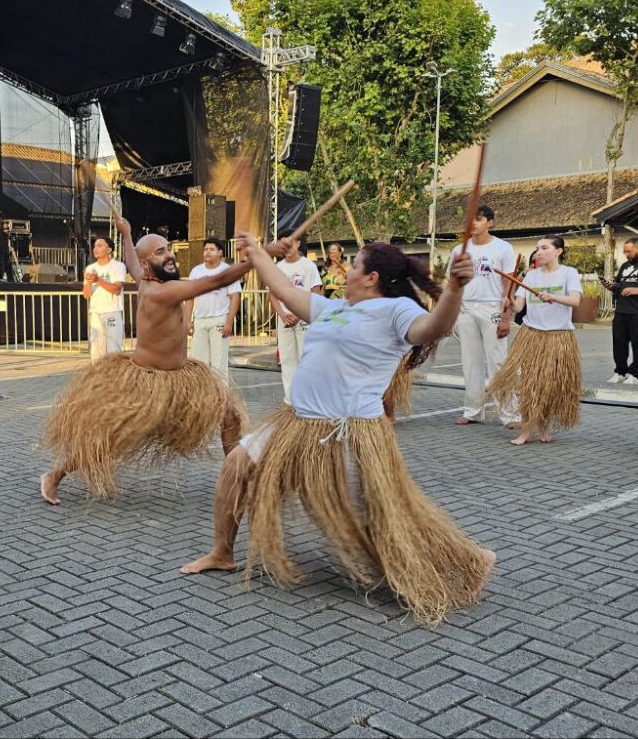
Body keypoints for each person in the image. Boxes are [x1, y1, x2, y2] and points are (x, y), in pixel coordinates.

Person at [180, 234, 495, 627]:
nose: (346, 272)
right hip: (296, 421)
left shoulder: (395, 310)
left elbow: (434, 327)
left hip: (349, 431)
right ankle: (222, 552)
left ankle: (465, 558)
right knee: (235, 465)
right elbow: (282, 288)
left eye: (354, 266)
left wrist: (455, 289)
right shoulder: (332, 308)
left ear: (371, 277)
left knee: (380, 512)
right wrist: (257, 253)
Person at [40, 210, 268, 505]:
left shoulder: (146, 277)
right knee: (113, 437)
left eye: (168, 248)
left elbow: (133, 262)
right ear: (150, 263)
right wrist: (259, 258)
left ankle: (238, 481)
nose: (170, 255)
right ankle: (55, 475)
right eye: (161, 252)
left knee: (229, 416)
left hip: (182, 377)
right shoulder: (163, 291)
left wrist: (126, 233)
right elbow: (216, 281)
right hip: (147, 383)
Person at [488, 236, 583, 446]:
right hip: (531, 335)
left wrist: (553, 297)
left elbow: (575, 300)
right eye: (537, 248)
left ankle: (542, 428)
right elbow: (519, 306)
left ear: (558, 251)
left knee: (548, 387)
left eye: (544, 248)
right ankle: (526, 430)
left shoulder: (569, 273)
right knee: (528, 384)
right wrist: (509, 302)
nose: (539, 252)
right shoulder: (531, 276)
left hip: (559, 337)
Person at [449, 205, 519, 427]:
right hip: (466, 309)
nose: (473, 223)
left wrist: (506, 317)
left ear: (490, 223)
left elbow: (509, 285)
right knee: (470, 362)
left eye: (478, 219)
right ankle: (473, 410)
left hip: (492, 308)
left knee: (498, 361)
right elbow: (454, 284)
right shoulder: (459, 250)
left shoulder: (503, 248)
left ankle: (510, 414)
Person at [271, 240, 323, 402]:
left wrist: (300, 313)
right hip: (284, 319)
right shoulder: (278, 268)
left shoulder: (309, 266)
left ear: (298, 243)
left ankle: (307, 399)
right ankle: (290, 400)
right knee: (287, 360)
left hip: (304, 318)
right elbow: (272, 294)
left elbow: (316, 293)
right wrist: (281, 314)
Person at [604, 237, 638, 384]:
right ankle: (620, 372)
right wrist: (611, 286)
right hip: (621, 311)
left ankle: (635, 374)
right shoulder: (625, 266)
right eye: (625, 251)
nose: (626, 254)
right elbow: (618, 284)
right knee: (619, 343)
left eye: (628, 251)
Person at [186, 237, 241, 379]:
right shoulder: (196, 271)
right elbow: (189, 297)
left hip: (219, 319)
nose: (208, 252)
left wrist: (229, 322)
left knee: (219, 361)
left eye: (212, 249)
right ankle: (201, 390)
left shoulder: (227, 271)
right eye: (205, 249)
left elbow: (235, 297)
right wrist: (188, 321)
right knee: (198, 361)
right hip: (200, 320)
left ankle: (221, 391)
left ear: (220, 252)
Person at [82, 236, 127, 361]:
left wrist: (98, 280)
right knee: (96, 350)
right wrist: (90, 281)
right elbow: (86, 294)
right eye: (95, 246)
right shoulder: (90, 268)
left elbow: (116, 289)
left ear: (109, 250)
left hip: (112, 311)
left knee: (113, 349)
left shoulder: (118, 266)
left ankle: (114, 372)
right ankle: (97, 372)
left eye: (100, 246)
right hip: (95, 312)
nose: (95, 249)